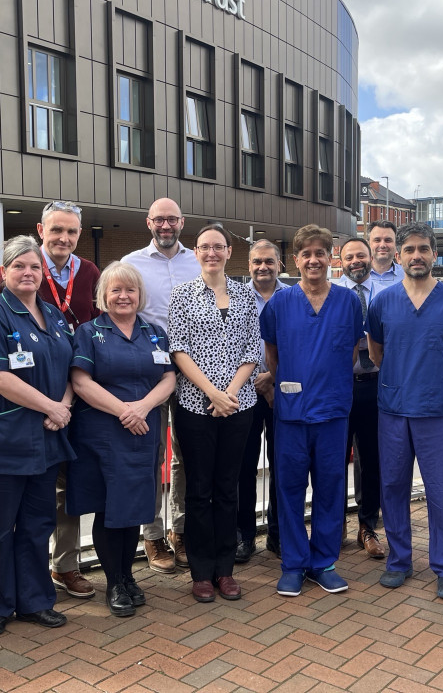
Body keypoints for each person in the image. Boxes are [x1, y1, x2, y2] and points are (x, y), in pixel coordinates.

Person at [0, 235, 75, 636]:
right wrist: (51, 407)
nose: (29, 273)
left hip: (44, 440)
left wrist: (64, 407)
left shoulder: (54, 316)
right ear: (4, 272)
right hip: (1, 442)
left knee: (37, 524)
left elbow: (71, 370)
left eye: (35, 268)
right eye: (20, 267)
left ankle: (35, 601)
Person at [0, 201, 99, 600]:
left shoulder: (88, 273)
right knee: (34, 499)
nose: (63, 238)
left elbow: (97, 325)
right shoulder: (13, 278)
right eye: (56, 231)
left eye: (70, 232)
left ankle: (64, 562)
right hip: (30, 409)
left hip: (78, 392)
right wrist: (52, 406)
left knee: (70, 483)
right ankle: (22, 586)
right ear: (40, 230)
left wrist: (69, 401)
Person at [367, 222, 443, 601]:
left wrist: (437, 382)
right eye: (410, 249)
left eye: (423, 249)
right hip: (395, 410)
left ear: (434, 255)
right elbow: (376, 353)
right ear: (398, 256)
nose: (416, 255)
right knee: (394, 486)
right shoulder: (382, 302)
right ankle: (399, 561)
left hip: (437, 411)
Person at [260, 225, 364, 597]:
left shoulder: (349, 302)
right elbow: (272, 354)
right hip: (291, 413)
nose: (314, 260)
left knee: (331, 487)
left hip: (333, 411)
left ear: (330, 257)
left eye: (321, 253)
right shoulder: (279, 304)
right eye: (306, 254)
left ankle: (323, 562)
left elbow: (351, 350)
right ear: (296, 260)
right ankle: (292, 563)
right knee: (288, 488)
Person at [68, 262, 176, 617]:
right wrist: (124, 411)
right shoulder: (88, 332)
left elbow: (168, 379)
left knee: (134, 508)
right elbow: (81, 382)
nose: (123, 296)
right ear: (103, 295)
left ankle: (129, 575)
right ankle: (114, 581)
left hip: (143, 432)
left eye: (130, 289)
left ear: (140, 294)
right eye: (115, 290)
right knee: (108, 506)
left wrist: (142, 407)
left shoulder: (155, 332)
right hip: (103, 433)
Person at [168, 224, 260, 602]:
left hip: (238, 405)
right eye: (204, 247)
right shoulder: (182, 296)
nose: (211, 253)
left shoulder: (244, 295)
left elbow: (251, 348)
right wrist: (212, 394)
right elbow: (178, 349)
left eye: (218, 247)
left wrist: (231, 393)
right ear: (195, 252)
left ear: (228, 252)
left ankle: (225, 570)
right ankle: (201, 571)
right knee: (199, 489)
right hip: (195, 405)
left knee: (228, 488)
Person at [122, 197, 201, 573]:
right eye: (159, 220)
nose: (166, 226)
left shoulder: (197, 260)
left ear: (181, 222)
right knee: (150, 456)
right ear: (148, 222)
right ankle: (152, 535)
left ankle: (181, 531)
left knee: (185, 456)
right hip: (149, 374)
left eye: (172, 219)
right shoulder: (130, 264)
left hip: (193, 372)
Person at [237, 240, 289, 562]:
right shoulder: (237, 297)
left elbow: (299, 344)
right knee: (243, 467)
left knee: (283, 465)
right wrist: (251, 380)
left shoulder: (292, 298)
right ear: (249, 263)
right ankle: (244, 536)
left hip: (282, 391)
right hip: (242, 394)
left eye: (269, 261)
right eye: (257, 261)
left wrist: (272, 376)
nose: (262, 267)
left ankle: (278, 534)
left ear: (280, 263)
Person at [336, 237, 385, 559]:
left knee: (372, 461)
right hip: (338, 387)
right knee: (334, 460)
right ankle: (334, 523)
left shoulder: (386, 295)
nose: (356, 260)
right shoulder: (330, 295)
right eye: (349, 256)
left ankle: (367, 526)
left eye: (361, 255)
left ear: (370, 258)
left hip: (375, 384)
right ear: (339, 261)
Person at [367, 220, 401, 286]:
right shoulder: (353, 277)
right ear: (368, 244)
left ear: (396, 244)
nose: (382, 245)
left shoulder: (407, 276)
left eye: (388, 240)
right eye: (377, 240)